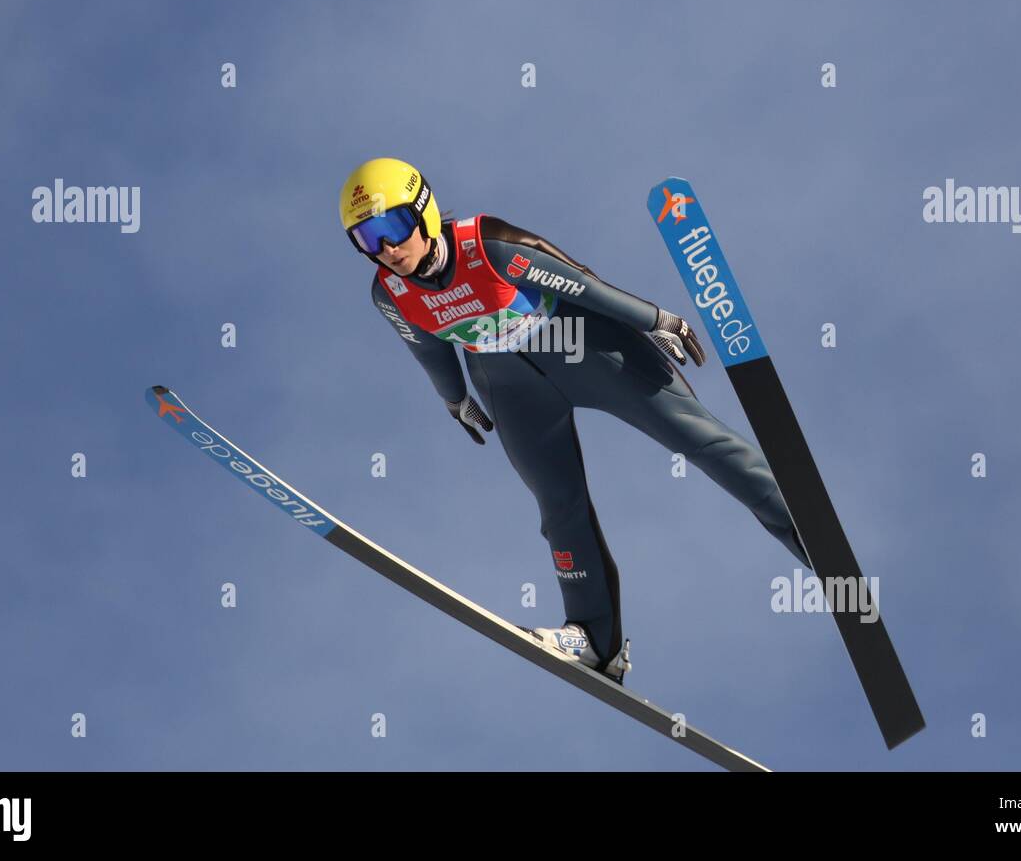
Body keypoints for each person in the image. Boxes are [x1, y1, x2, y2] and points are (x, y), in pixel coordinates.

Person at [340, 158, 810, 683]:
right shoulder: (389, 294)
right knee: (557, 506)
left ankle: (805, 528)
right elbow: (428, 349)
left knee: (695, 438)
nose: (386, 249)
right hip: (510, 386)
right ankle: (593, 640)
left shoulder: (487, 244)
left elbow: (583, 285)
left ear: (423, 212)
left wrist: (655, 319)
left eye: (393, 228)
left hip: (582, 348)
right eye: (366, 239)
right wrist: (454, 399)